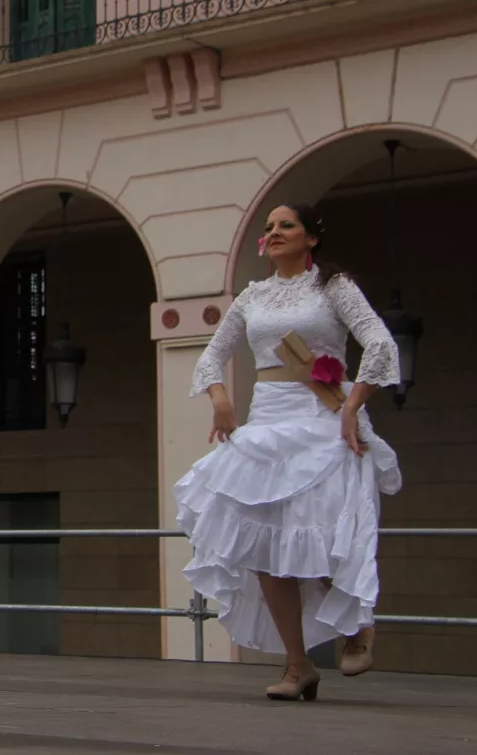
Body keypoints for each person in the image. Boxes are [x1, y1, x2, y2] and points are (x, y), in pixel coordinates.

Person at [174, 203, 402, 701]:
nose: (275, 232)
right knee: (265, 545)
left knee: (322, 527)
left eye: (287, 226)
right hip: (270, 418)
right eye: (269, 228)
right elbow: (212, 355)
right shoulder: (252, 297)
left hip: (324, 415)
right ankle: (298, 666)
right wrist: (220, 401)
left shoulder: (333, 287)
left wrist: (353, 405)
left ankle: (354, 622)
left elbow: (379, 344)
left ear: (311, 238)